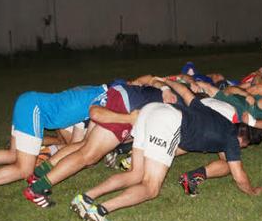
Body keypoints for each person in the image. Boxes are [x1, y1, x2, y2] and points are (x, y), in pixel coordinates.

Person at [69, 79, 262, 221]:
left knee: (135, 173)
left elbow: (186, 92)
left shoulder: (216, 115)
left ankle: (85, 198)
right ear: (244, 140)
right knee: (151, 187)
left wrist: (166, 82)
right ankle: (100, 211)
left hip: (150, 110)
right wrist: (253, 191)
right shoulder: (232, 140)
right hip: (167, 122)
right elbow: (239, 177)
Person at [0, 84, 108, 210]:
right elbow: (84, 144)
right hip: (35, 109)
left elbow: (76, 142)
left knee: (13, 154)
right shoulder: (104, 102)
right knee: (24, 169)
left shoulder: (95, 93)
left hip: (27, 102)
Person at [23, 80, 176, 208]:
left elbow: (155, 80)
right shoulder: (181, 97)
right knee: (88, 155)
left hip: (117, 95)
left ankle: (37, 174)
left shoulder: (170, 88)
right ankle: (37, 188)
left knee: (84, 146)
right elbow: (155, 80)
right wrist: (166, 89)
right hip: (128, 104)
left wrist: (165, 87)